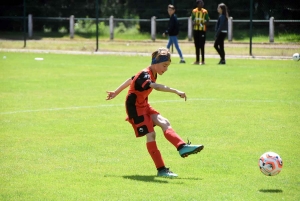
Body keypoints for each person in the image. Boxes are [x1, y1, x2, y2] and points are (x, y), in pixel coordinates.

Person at [106, 47, 204, 178]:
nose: (166, 69)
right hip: (134, 109)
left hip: (144, 105)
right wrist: (176, 91)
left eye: (168, 66)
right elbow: (156, 87)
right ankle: (161, 169)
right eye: (164, 65)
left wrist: (116, 92)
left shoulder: (151, 73)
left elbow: (131, 79)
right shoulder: (145, 75)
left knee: (165, 122)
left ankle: (182, 147)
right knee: (151, 134)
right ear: (155, 63)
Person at [191, 0, 210, 65]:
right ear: (197, 4)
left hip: (202, 30)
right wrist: (195, 23)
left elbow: (207, 20)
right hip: (196, 30)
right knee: (196, 45)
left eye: (202, 3)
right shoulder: (194, 11)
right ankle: (197, 60)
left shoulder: (205, 11)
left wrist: (203, 23)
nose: (202, 4)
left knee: (202, 45)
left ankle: (203, 61)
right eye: (200, 3)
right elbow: (192, 20)